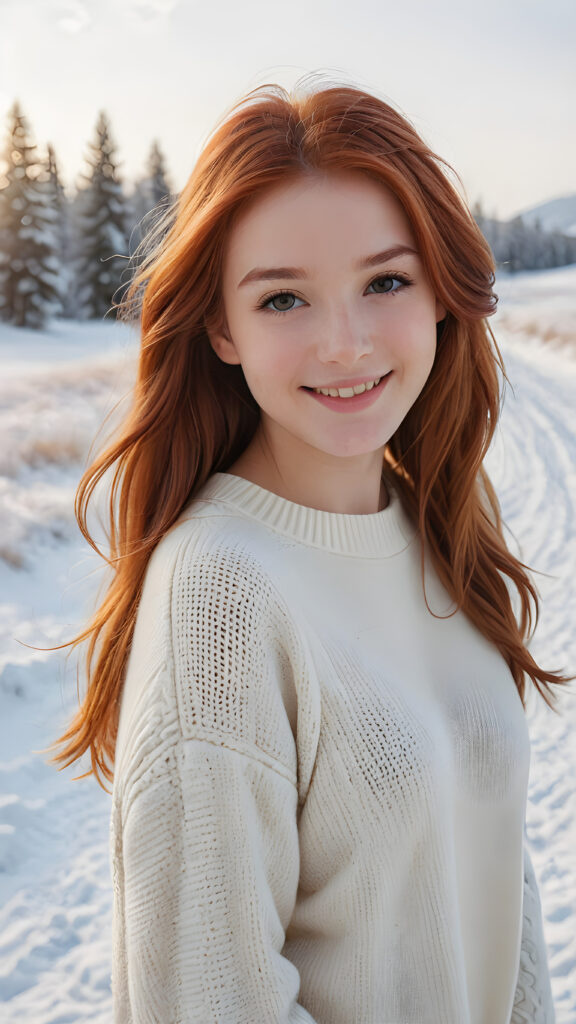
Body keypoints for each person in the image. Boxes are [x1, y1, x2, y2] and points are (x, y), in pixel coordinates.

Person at [53, 75, 568, 1023]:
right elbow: (206, 1000)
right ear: (220, 327)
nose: (345, 343)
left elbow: (490, 888)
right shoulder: (222, 593)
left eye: (384, 282)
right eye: (284, 300)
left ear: (441, 294)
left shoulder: (430, 524)